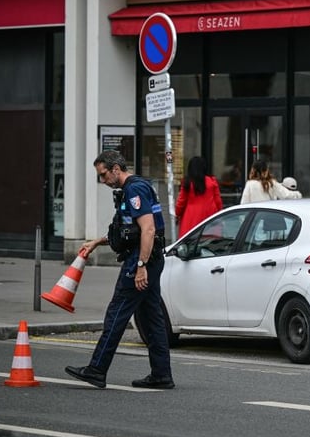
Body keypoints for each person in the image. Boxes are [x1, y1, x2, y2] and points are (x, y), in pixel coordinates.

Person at [65, 150, 174, 390]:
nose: (102, 180)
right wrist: (97, 241)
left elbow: (147, 230)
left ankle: (96, 369)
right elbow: (127, 230)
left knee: (117, 313)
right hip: (148, 257)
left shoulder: (135, 189)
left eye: (103, 175)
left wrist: (141, 266)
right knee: (151, 317)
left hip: (143, 258)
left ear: (116, 169)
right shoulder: (132, 189)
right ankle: (161, 374)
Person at [175, 156, 223, 236]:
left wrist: (177, 214)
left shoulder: (187, 183)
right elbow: (218, 202)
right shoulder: (212, 182)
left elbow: (180, 203)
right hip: (210, 219)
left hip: (190, 220)